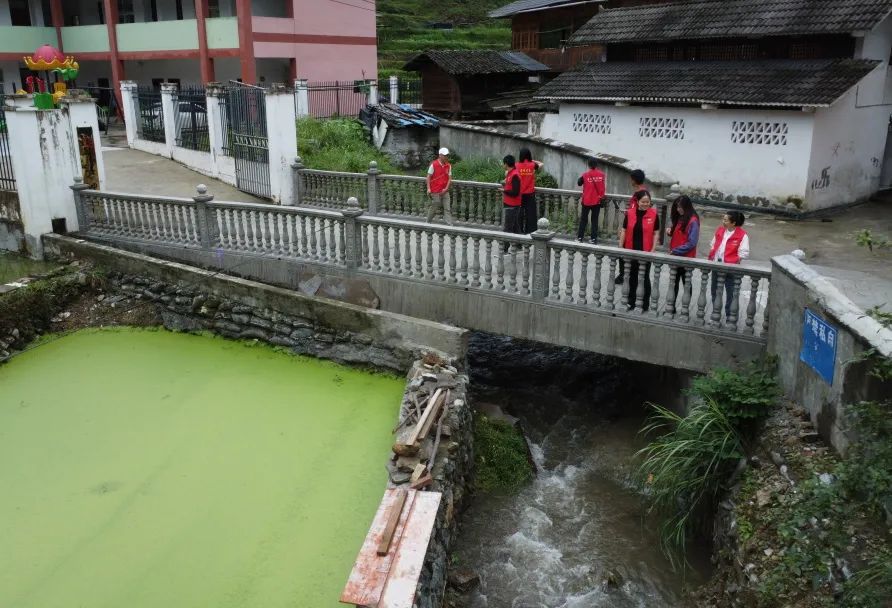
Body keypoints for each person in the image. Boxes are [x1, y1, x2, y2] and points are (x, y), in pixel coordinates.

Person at [618, 188, 659, 311]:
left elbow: (656, 233)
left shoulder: (654, 214)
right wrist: (620, 246)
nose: (646, 204)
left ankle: (645, 303)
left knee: (644, 277)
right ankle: (631, 301)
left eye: (648, 202)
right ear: (637, 201)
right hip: (630, 249)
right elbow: (624, 230)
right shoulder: (630, 213)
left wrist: (653, 249)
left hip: (645, 251)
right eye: (643, 202)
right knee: (631, 276)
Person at [708, 210, 750, 320]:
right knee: (715, 291)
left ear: (734, 223)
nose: (723, 221)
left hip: (731, 269)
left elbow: (744, 253)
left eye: (726, 220)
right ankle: (715, 313)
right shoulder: (720, 230)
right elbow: (713, 244)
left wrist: (735, 261)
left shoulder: (742, 235)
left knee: (731, 294)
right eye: (723, 219)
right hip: (717, 265)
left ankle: (729, 316)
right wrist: (713, 257)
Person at [615, 169, 652, 284]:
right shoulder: (642, 192)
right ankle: (625, 274)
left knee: (624, 251)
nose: (630, 180)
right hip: (633, 224)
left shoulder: (639, 194)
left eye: (631, 179)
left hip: (633, 227)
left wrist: (624, 227)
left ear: (634, 180)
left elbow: (640, 211)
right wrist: (627, 212)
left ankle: (623, 275)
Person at [666, 195, 700, 303]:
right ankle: (671, 306)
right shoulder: (681, 218)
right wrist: (670, 231)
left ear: (687, 207)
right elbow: (680, 234)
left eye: (680, 207)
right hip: (675, 256)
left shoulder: (693, 221)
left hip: (686, 258)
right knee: (674, 283)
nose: (678, 209)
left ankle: (685, 308)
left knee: (686, 284)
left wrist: (676, 251)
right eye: (677, 207)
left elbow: (692, 243)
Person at [576, 157, 606, 243]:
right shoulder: (602, 175)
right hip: (597, 201)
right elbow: (602, 187)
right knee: (594, 220)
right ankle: (593, 239)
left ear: (588, 165)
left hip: (587, 201)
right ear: (597, 165)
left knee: (583, 220)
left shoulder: (585, 175)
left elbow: (579, 183)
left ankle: (580, 238)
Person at [516, 148, 543, 234]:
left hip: (519, 194)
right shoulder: (532, 165)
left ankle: (519, 232)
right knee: (530, 215)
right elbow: (541, 164)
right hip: (530, 194)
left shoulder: (516, 165)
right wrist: (533, 160)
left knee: (519, 214)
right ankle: (530, 233)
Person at [426, 147, 453, 225]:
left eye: (447, 155)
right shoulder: (434, 164)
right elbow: (428, 176)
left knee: (447, 208)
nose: (446, 157)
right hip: (435, 190)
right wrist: (428, 188)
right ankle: (428, 221)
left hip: (445, 190)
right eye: (445, 155)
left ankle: (449, 224)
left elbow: (450, 178)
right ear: (440, 155)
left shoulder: (448, 165)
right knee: (435, 205)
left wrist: (446, 188)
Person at [502, 155, 523, 247]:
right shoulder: (510, 173)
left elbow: (515, 192)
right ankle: (519, 245)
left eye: (504, 164)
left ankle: (505, 249)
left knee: (508, 227)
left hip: (513, 205)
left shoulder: (515, 175)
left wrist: (504, 191)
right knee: (515, 226)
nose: (503, 165)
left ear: (506, 164)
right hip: (509, 203)